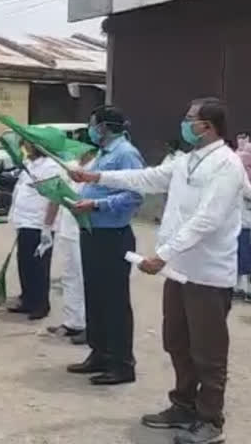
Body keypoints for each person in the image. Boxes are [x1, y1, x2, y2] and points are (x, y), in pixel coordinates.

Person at [72, 98, 241, 444]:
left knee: (208, 352)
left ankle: (210, 420)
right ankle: (182, 405)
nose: (184, 122)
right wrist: (97, 175)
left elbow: (207, 220)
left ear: (207, 126)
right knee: (177, 342)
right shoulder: (186, 161)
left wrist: (162, 254)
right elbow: (146, 177)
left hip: (207, 275)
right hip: (179, 272)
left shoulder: (227, 165)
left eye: (190, 118)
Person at [66, 106, 144, 386]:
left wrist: (96, 205)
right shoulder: (103, 153)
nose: (91, 130)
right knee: (95, 296)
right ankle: (99, 353)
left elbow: (135, 196)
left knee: (114, 301)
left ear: (104, 127)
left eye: (92, 125)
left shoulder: (126, 154)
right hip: (93, 232)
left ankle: (122, 364)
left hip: (113, 235)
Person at [7, 141, 63, 320]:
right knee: (25, 264)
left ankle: (41, 305)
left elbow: (55, 196)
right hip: (25, 222)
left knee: (39, 266)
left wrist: (48, 226)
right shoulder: (29, 164)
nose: (25, 149)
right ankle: (28, 300)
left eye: (27, 146)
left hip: (39, 224)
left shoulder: (51, 166)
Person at [47, 148, 97, 344]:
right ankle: (73, 321)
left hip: (84, 232)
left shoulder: (97, 168)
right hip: (66, 229)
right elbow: (56, 197)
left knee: (86, 278)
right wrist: (48, 226)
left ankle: (89, 326)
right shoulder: (70, 167)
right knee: (69, 277)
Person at [235, 133, 251, 302]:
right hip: (241, 224)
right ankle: (241, 287)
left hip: (244, 224)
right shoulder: (241, 181)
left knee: (244, 256)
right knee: (241, 256)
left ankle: (243, 287)